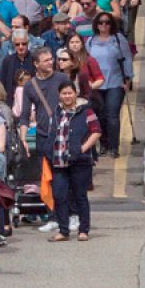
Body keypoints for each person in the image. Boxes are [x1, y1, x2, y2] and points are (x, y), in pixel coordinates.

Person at [42, 83, 100, 243]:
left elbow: (96, 131)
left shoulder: (86, 111)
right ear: (59, 95)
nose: (67, 96)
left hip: (79, 162)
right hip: (58, 161)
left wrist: (82, 149)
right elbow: (51, 132)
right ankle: (63, 231)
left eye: (70, 93)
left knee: (80, 195)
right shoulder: (56, 112)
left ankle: (83, 230)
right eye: (64, 93)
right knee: (59, 196)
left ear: (76, 94)